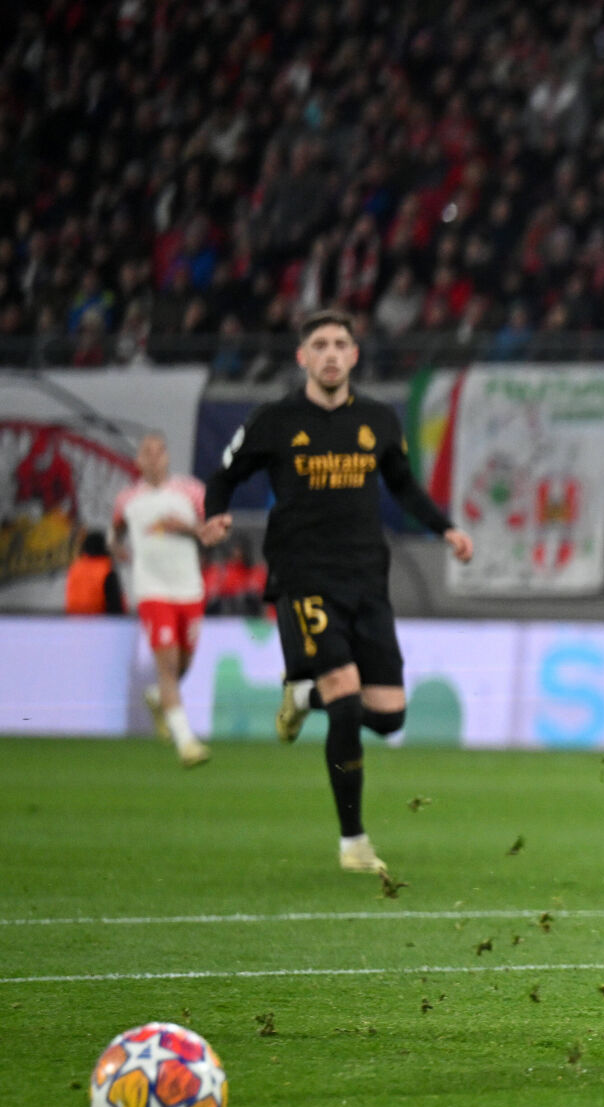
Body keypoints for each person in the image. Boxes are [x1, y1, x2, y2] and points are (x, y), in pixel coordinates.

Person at [199, 309, 474, 876]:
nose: (330, 353)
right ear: (303, 357)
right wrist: (216, 513)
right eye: (319, 344)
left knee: (389, 717)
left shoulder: (378, 420)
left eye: (339, 344)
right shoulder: (275, 420)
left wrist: (445, 528)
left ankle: (303, 697)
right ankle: (353, 841)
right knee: (346, 700)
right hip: (304, 576)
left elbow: (403, 486)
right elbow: (225, 475)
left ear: (354, 355)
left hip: (366, 579)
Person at [111, 432, 211, 767]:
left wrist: (185, 528)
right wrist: (119, 549)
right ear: (138, 460)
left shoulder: (191, 491)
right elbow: (115, 533)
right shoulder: (127, 499)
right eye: (147, 452)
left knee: (183, 665)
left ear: (167, 457)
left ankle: (157, 697)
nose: (154, 458)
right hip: (152, 591)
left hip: (189, 589)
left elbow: (211, 532)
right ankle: (186, 742)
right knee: (167, 666)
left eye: (159, 452)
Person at [64, 528, 124, 615]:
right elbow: (114, 605)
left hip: (73, 619)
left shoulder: (74, 568)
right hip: (100, 620)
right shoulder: (106, 569)